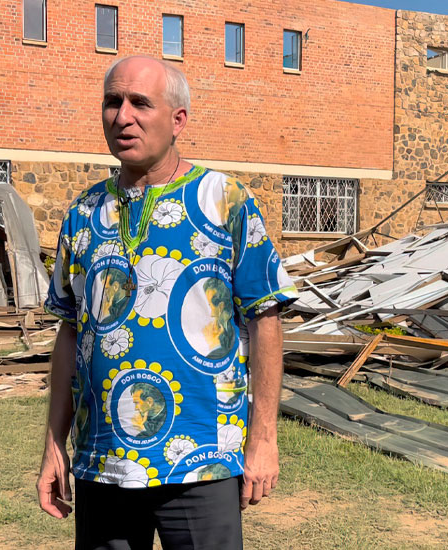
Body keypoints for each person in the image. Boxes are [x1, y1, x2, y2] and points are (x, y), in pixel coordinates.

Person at [37, 55, 292, 550]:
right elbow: (70, 332)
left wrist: (263, 440)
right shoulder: (82, 214)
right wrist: (54, 446)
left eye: (140, 103)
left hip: (202, 459)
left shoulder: (225, 199)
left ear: (178, 120)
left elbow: (266, 317)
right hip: (102, 463)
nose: (123, 116)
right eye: (113, 102)